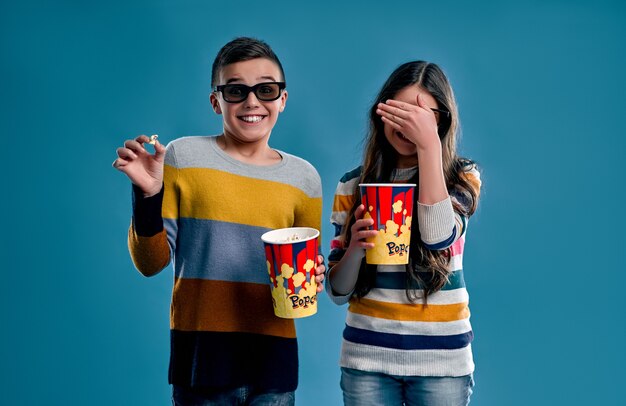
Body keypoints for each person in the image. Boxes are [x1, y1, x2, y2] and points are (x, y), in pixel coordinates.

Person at [112, 37, 325, 406]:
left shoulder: (304, 178)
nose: (252, 102)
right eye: (236, 90)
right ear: (217, 101)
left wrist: (314, 275)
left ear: (282, 99)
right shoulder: (182, 157)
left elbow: (303, 272)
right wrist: (149, 196)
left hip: (273, 367)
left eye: (266, 90)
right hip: (201, 365)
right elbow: (151, 264)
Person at [326, 61, 482, 406]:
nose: (409, 122)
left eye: (421, 114)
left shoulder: (462, 178)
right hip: (366, 357)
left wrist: (429, 148)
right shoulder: (351, 185)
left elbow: (439, 237)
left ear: (441, 121)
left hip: (442, 362)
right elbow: (337, 292)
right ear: (381, 113)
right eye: (400, 111)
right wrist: (354, 248)